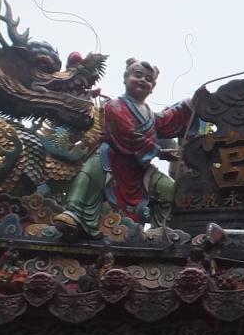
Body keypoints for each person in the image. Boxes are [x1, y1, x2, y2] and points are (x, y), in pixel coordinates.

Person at [54, 58, 193, 239]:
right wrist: (158, 152)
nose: (143, 80)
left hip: (140, 169)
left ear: (152, 87)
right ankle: (76, 214)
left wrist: (189, 104)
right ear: (125, 78)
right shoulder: (115, 106)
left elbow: (167, 119)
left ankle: (160, 228)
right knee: (88, 175)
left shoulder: (150, 115)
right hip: (112, 159)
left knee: (168, 188)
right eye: (138, 75)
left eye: (148, 79)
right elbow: (128, 134)